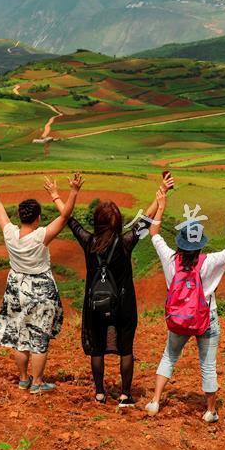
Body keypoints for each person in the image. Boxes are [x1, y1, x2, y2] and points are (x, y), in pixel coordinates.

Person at [47, 173, 172, 407]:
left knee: (97, 349)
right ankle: (125, 395)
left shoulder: (89, 242)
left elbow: (69, 219)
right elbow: (145, 220)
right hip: (123, 304)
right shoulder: (126, 242)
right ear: (117, 222)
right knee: (126, 348)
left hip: (96, 304)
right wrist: (161, 190)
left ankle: (100, 393)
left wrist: (56, 195)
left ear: (98, 222)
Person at [144, 186, 225, 422]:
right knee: (208, 365)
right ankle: (210, 411)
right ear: (200, 244)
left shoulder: (170, 259)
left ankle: (155, 401)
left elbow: (154, 233)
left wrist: (161, 204)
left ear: (180, 243)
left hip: (178, 318)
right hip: (206, 318)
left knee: (169, 357)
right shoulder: (209, 262)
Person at [0, 169, 82, 394]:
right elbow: (66, 216)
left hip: (15, 288)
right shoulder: (41, 235)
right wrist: (70, 192)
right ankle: (38, 382)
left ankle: (23, 378)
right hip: (40, 289)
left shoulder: (9, 233)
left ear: (20, 216)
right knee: (39, 336)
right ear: (38, 217)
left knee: (20, 336)